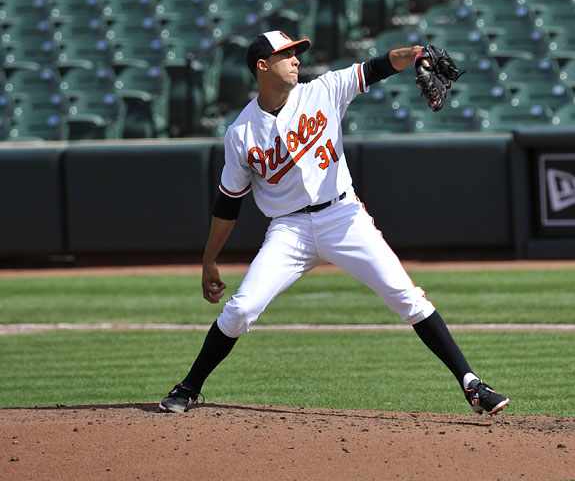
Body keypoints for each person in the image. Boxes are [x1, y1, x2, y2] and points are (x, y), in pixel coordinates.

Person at [160, 30, 509, 416]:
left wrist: (415, 54)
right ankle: (189, 386)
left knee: (406, 296)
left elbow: (376, 67)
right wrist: (210, 259)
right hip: (288, 230)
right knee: (241, 310)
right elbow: (228, 203)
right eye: (286, 54)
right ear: (262, 66)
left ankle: (472, 385)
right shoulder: (241, 132)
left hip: (343, 217)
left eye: (297, 53)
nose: (296, 60)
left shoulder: (323, 90)